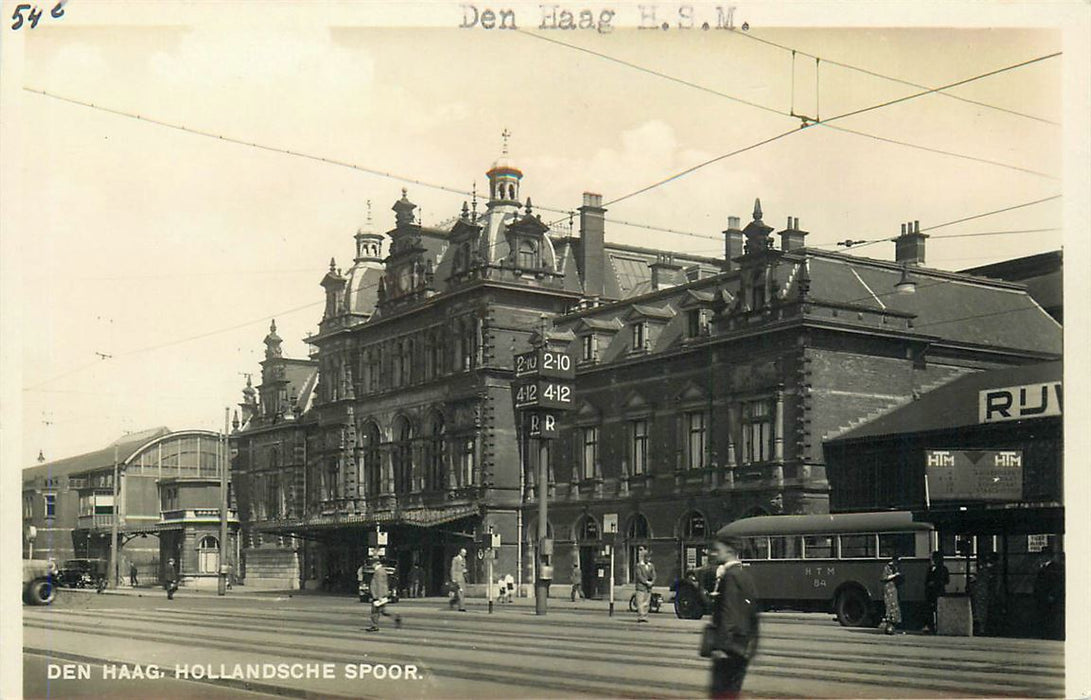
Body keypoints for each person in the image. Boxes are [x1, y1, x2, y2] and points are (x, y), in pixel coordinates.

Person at [706, 534, 760, 699]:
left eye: (717, 550)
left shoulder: (729, 576)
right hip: (742, 646)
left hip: (728, 648)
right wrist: (752, 645)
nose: (713, 554)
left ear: (729, 550)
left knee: (721, 695)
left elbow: (727, 613)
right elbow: (753, 614)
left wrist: (721, 647)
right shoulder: (746, 575)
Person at [1033, 545, 1064, 640]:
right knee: (1042, 617)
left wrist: (1052, 595)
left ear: (1047, 556)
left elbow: (1058, 583)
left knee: (1049, 617)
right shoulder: (1042, 568)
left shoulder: (1055, 568)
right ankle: (1043, 634)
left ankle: (1049, 634)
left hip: (1049, 598)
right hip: (1041, 598)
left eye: (1042, 556)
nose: (1040, 558)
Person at [365, 561, 402, 632]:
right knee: (382, 611)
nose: (372, 565)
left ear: (376, 564)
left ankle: (374, 626)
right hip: (381, 594)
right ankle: (395, 617)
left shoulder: (379, 572)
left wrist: (379, 596)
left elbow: (379, 584)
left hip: (378, 595)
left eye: (372, 564)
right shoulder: (382, 570)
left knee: (374, 611)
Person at [969, 552, 997, 636]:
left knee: (981, 611)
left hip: (982, 594)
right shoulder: (988, 571)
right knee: (983, 611)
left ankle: (982, 629)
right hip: (984, 593)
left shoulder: (983, 571)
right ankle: (983, 628)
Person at [924, 551, 949, 633]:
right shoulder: (930, 569)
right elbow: (926, 581)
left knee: (938, 609)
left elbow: (946, 580)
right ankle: (931, 627)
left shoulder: (943, 569)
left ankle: (939, 626)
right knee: (930, 610)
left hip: (938, 591)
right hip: (931, 593)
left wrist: (936, 582)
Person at [879, 555, 904, 634]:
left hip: (894, 589)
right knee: (889, 606)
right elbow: (884, 577)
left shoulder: (895, 567)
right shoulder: (887, 567)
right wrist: (895, 575)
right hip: (889, 589)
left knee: (894, 606)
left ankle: (892, 626)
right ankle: (889, 627)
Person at [634, 545, 656, 623]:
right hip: (641, 587)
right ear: (644, 558)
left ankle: (645, 615)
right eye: (646, 558)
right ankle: (641, 616)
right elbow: (639, 576)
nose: (648, 559)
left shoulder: (651, 566)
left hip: (648, 587)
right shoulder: (639, 566)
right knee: (640, 602)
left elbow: (654, 575)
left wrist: (652, 582)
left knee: (647, 602)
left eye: (649, 558)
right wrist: (646, 582)